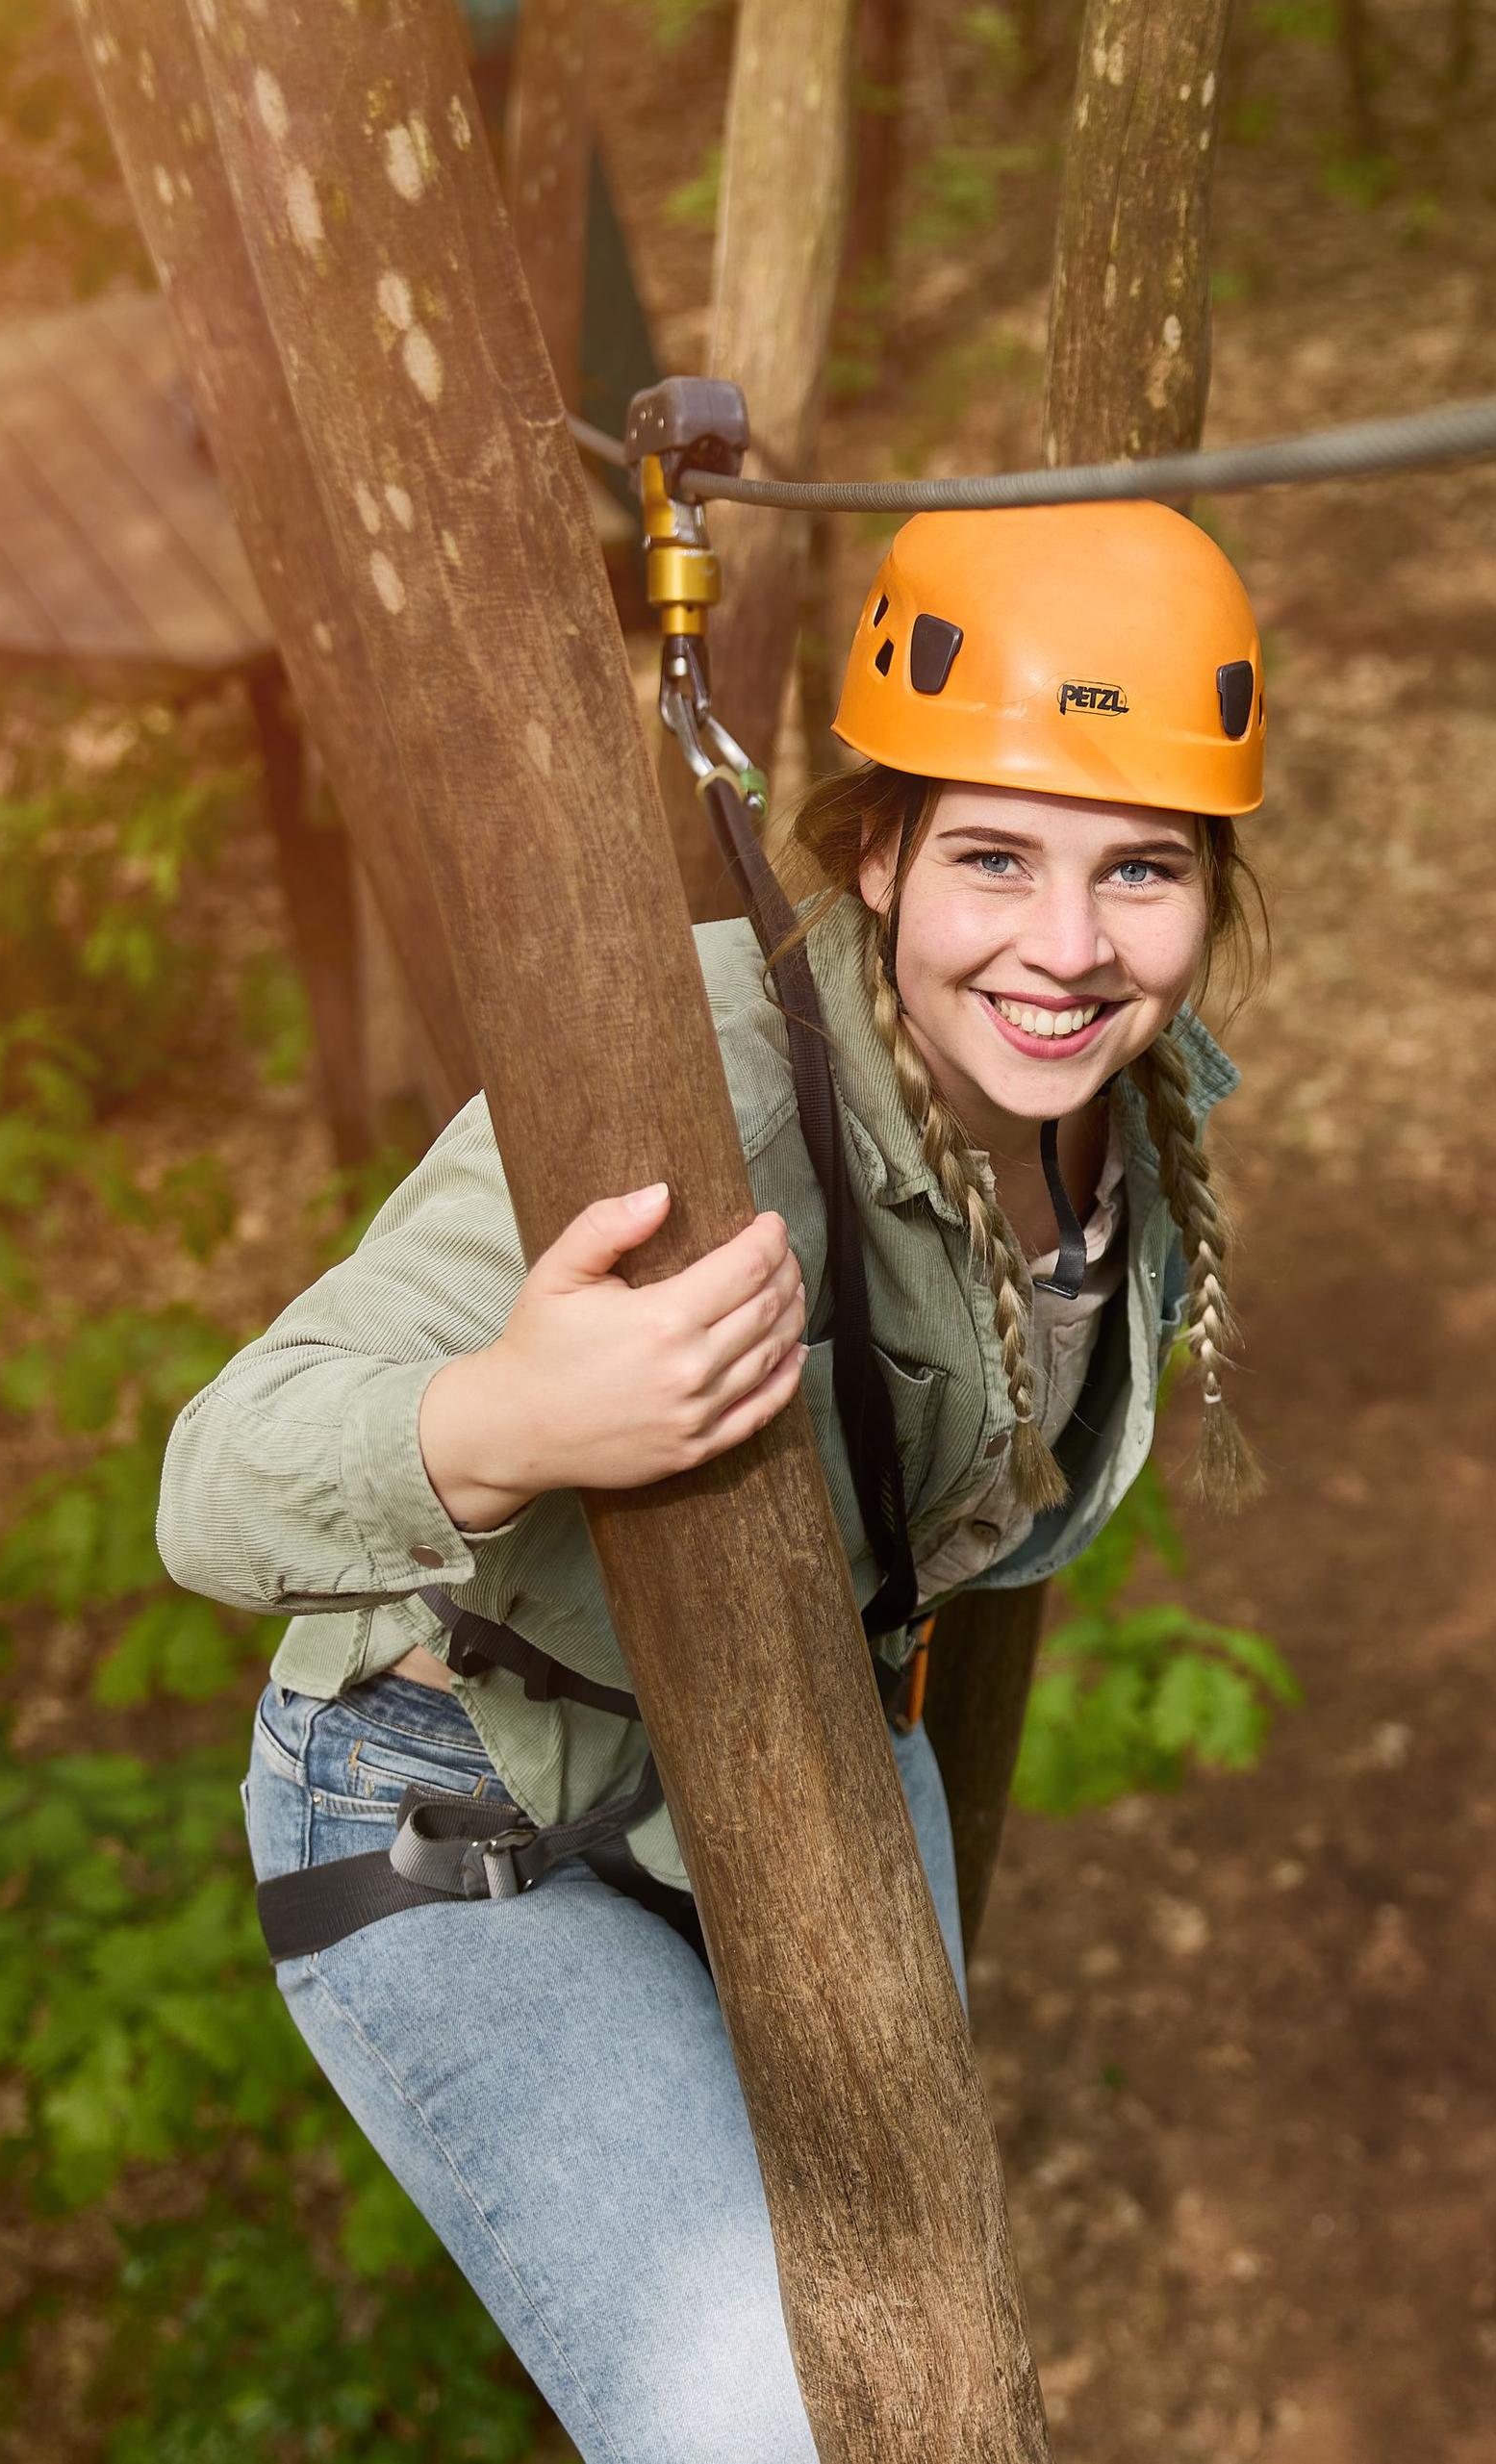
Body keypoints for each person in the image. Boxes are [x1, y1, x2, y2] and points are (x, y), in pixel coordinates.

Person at [155, 497, 1268, 2457]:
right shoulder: (705, 1095)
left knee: (935, 2366)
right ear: (879, 848)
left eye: (1144, 871)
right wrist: (508, 1423)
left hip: (806, 1733)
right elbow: (215, 1479)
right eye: (997, 857)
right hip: (457, 1812)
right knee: (776, 2430)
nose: (1070, 949)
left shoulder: (1141, 1123)